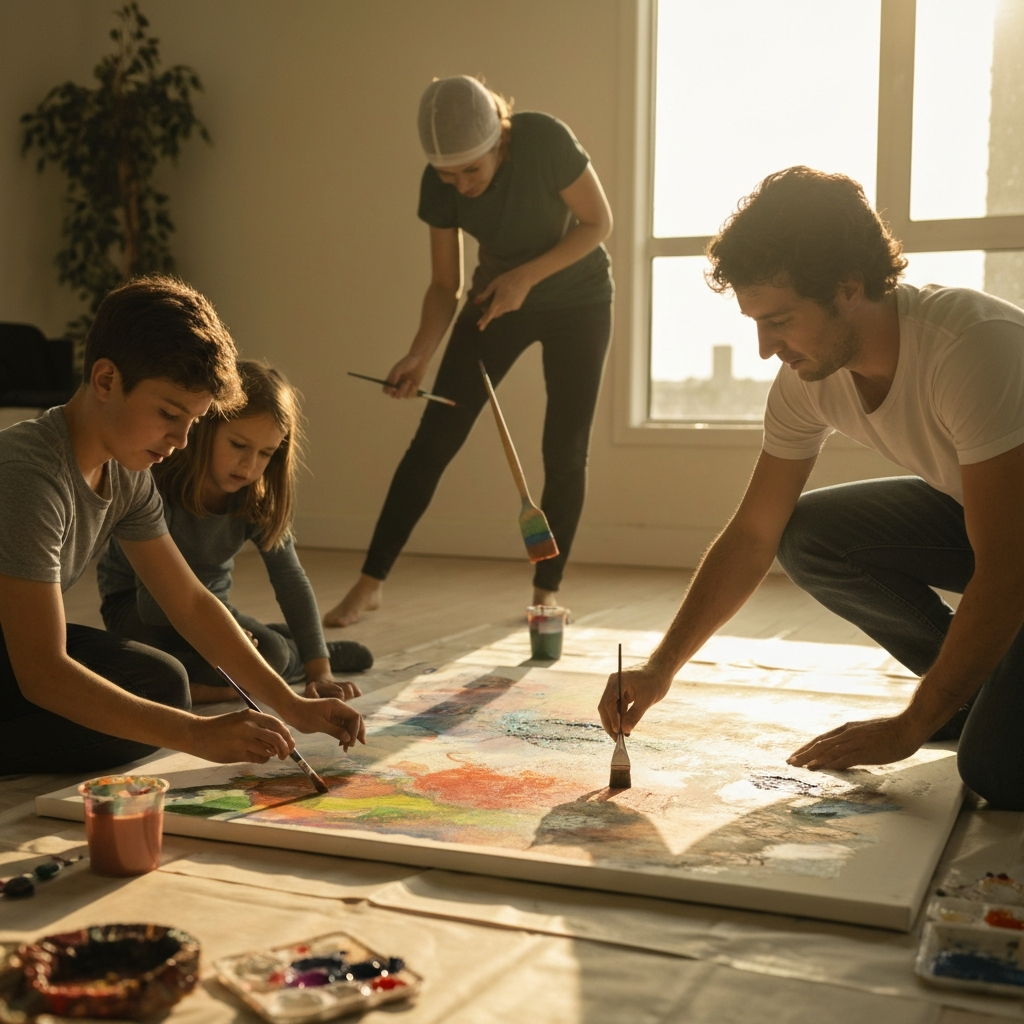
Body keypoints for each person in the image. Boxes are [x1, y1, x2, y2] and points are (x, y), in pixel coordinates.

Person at [598, 166, 1024, 811]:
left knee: (998, 773)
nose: (766, 348)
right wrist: (662, 667)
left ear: (848, 289)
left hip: (1013, 549)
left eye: (780, 321)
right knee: (811, 535)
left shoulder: (970, 349)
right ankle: (975, 695)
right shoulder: (807, 379)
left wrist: (910, 727)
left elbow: (1008, 566)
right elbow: (754, 533)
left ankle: (974, 710)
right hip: (997, 527)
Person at [0, 276, 364, 775]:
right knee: (157, 712)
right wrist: (196, 735)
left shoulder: (127, 472)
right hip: (19, 657)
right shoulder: (30, 476)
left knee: (163, 682)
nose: (180, 439)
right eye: (169, 414)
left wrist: (291, 705)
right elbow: (42, 671)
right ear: (106, 381)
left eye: (193, 420)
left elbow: (189, 601)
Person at [323, 75, 614, 627]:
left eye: (470, 172)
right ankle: (370, 584)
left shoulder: (546, 141)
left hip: (580, 301)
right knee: (434, 437)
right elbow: (444, 286)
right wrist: (418, 355)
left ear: (501, 139)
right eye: (446, 175)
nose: (459, 185)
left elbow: (598, 222)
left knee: (564, 448)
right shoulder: (440, 187)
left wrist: (526, 277)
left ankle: (545, 594)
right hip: (494, 300)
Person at [98, 359, 373, 706]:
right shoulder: (158, 485)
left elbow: (291, 580)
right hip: (137, 612)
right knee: (193, 666)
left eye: (266, 454)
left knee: (269, 652)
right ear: (205, 430)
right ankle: (285, 659)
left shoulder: (255, 500)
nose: (249, 465)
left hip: (213, 609)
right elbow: (154, 606)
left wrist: (321, 673)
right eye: (239, 445)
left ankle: (304, 653)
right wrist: (222, 636)